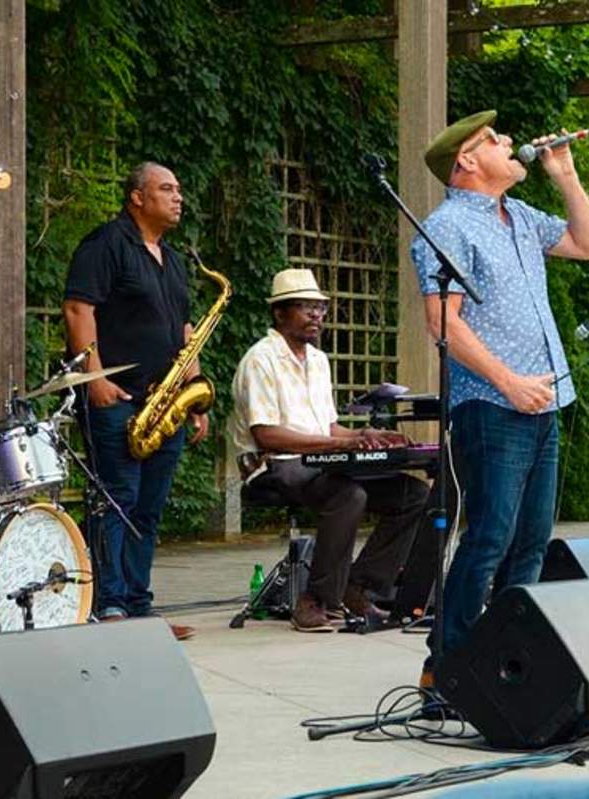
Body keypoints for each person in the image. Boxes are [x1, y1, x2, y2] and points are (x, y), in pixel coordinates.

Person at [410, 110, 589, 676]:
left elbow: (585, 244)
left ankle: (515, 665)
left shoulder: (519, 216)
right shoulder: (449, 226)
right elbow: (442, 321)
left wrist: (566, 175)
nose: (510, 141)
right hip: (494, 405)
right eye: (495, 139)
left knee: (532, 541)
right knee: (491, 535)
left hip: (545, 400)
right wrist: (507, 381)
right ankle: (450, 664)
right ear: (466, 160)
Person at [232, 268, 430, 632]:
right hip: (275, 465)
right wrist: (344, 443)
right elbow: (268, 435)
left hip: (321, 461)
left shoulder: (318, 361)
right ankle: (315, 600)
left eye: (320, 308)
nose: (317, 316)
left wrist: (366, 434)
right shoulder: (260, 360)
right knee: (348, 494)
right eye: (306, 308)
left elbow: (327, 427)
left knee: (414, 494)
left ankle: (360, 587)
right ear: (279, 313)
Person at [62, 161, 208, 639]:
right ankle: (108, 605)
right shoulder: (106, 244)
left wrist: (195, 395)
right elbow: (78, 308)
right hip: (116, 396)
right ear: (137, 198)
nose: (177, 196)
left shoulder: (174, 260)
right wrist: (94, 376)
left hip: (163, 402)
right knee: (116, 500)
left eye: (178, 188)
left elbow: (185, 333)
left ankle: (139, 604)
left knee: (148, 506)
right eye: (166, 188)